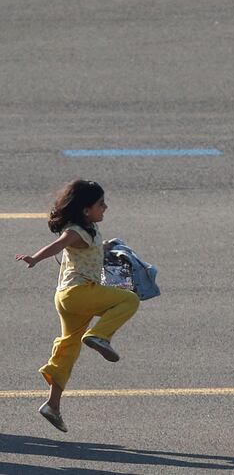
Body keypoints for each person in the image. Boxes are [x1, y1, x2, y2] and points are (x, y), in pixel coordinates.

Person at [16, 179, 140, 433]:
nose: (105, 207)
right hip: (78, 294)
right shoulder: (75, 231)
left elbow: (89, 249)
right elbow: (58, 245)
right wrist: (35, 258)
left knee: (68, 350)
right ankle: (98, 336)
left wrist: (108, 247)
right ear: (85, 209)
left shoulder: (90, 228)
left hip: (69, 300)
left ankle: (52, 405)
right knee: (128, 299)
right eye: (100, 204)